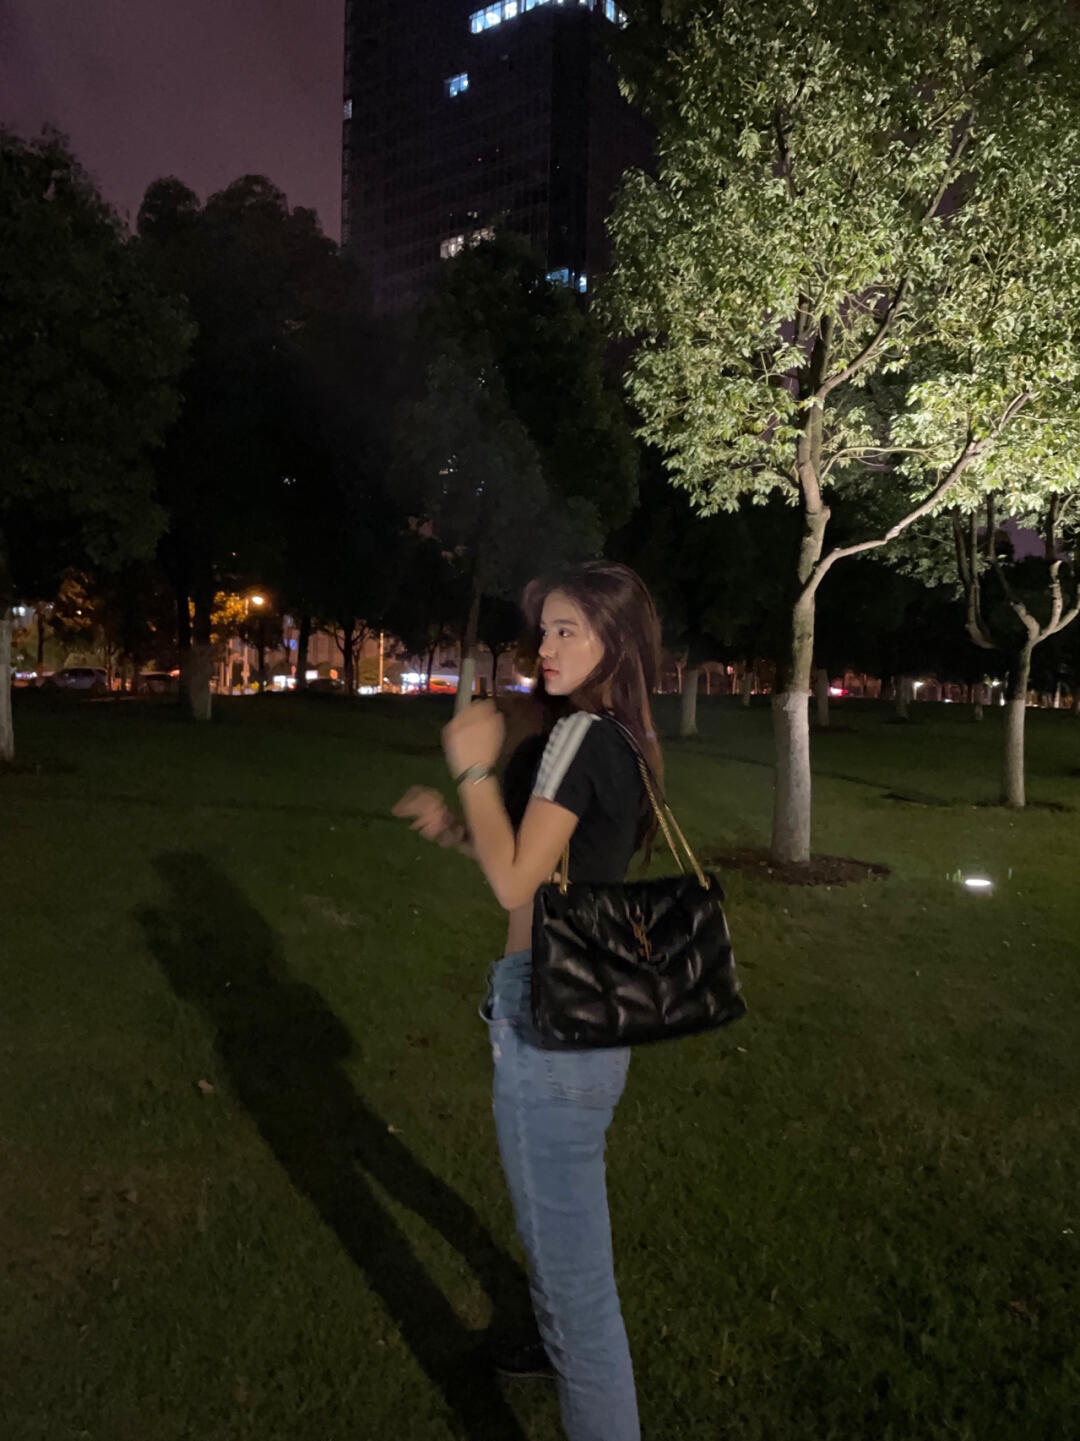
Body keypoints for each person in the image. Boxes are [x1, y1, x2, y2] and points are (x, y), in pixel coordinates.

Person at [393, 561, 662, 1441]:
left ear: (615, 642)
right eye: (545, 628)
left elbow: (517, 884)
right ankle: (551, 1341)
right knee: (560, 1240)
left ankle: (571, 1356)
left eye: (568, 630)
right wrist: (457, 829)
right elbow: (543, 873)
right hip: (590, 1010)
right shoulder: (618, 738)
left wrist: (472, 768)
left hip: (550, 1025)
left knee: (583, 1300)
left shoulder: (580, 735)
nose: (545, 646)